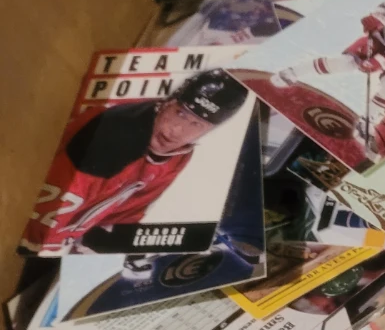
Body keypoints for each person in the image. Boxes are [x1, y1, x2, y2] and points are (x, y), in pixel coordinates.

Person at [25, 69, 249, 252]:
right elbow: (41, 216)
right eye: (180, 113)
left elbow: (128, 214)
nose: (177, 130)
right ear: (167, 102)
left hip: (63, 243)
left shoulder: (178, 155)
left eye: (196, 124)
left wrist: (100, 247)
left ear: (209, 131)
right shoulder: (115, 135)